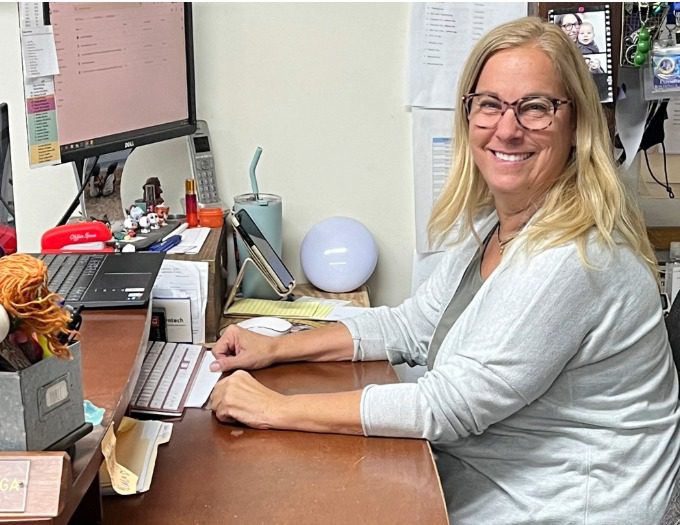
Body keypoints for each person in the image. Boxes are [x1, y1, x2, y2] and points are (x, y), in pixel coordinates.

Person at [209, 17, 680, 524]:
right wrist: (276, 347)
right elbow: (411, 326)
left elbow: (448, 406)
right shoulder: (495, 224)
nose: (507, 128)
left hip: (566, 506)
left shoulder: (578, 257)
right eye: (490, 104)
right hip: (488, 480)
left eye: (536, 107)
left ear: (576, 125)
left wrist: (275, 410)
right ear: (469, 115)